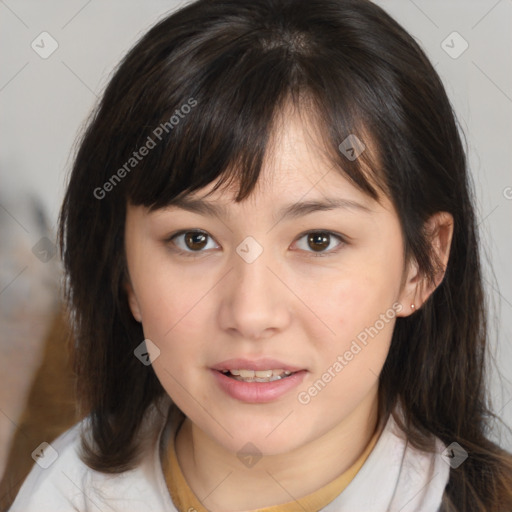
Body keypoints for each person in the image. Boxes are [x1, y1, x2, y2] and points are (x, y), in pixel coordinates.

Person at [9, 0, 512, 510]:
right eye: (195, 240)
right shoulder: (57, 493)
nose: (251, 314)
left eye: (318, 240)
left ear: (420, 265)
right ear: (125, 272)